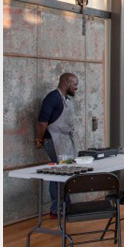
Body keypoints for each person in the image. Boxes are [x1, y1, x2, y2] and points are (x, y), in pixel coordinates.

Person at [35, 73, 79, 216]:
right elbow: (42, 122)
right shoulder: (53, 97)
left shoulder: (65, 99)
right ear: (66, 83)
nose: (76, 88)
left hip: (64, 141)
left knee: (64, 170)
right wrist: (39, 140)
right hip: (53, 140)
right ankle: (57, 207)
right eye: (75, 84)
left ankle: (65, 204)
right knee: (58, 172)